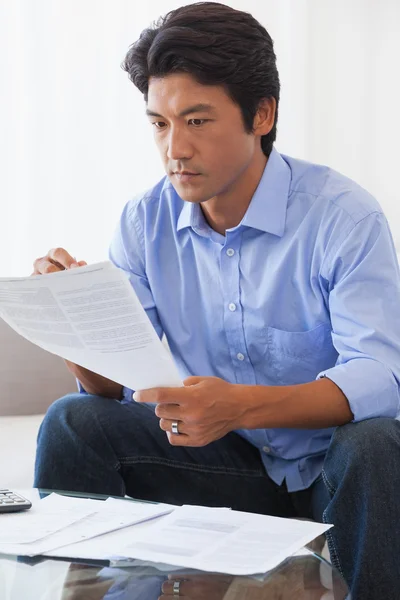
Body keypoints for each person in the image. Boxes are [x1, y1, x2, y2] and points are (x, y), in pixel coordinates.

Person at [33, 3, 400, 598]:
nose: (175, 148)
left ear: (262, 114)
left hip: (330, 473)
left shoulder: (343, 216)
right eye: (159, 124)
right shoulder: (142, 220)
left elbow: (381, 377)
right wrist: (73, 317)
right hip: (215, 464)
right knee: (73, 422)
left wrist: (243, 406)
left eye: (197, 121)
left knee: (377, 444)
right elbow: (115, 389)